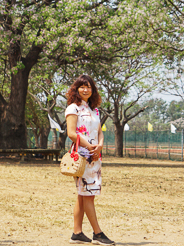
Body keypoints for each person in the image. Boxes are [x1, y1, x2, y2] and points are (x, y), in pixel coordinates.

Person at [65, 74, 114, 245]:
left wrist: (99, 145)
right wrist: (90, 147)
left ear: (92, 90)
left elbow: (99, 131)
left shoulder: (95, 110)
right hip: (82, 156)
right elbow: (72, 133)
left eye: (89, 87)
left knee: (82, 194)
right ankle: (98, 234)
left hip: (95, 156)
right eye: (82, 86)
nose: (85, 89)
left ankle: (77, 233)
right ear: (76, 89)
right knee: (88, 194)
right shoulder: (73, 108)